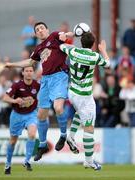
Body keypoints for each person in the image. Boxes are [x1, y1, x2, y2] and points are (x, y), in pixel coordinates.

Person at [5, 22, 74, 161]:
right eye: (37, 30)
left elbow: (67, 35)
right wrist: (12, 64)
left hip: (59, 76)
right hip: (45, 80)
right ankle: (43, 145)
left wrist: (68, 34)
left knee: (58, 107)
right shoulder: (38, 48)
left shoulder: (55, 36)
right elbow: (29, 63)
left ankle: (63, 135)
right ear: (36, 34)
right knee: (41, 115)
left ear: (47, 30)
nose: (40, 30)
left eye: (42, 28)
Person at [60, 32, 110, 170]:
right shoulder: (94, 56)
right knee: (89, 129)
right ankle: (89, 160)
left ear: (81, 42)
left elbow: (61, 46)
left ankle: (70, 136)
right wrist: (104, 50)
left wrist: (72, 35)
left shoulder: (73, 51)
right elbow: (107, 64)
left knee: (79, 113)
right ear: (93, 44)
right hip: (85, 97)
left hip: (72, 92)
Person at [3, 66, 40, 174]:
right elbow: (5, 98)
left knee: (32, 134)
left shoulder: (37, 85)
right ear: (23, 73)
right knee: (13, 141)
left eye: (31, 71)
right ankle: (8, 164)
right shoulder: (16, 85)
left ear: (33, 72)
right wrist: (15, 101)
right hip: (17, 115)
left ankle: (27, 160)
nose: (29, 73)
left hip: (31, 114)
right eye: (27, 71)